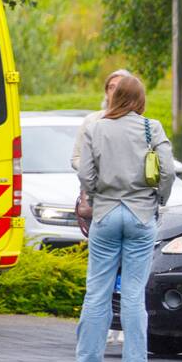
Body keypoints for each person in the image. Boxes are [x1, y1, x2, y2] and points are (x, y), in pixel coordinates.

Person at [75, 75, 176, 362]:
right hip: (141, 214)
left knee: (97, 290)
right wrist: (159, 199)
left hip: (105, 214)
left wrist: (95, 195)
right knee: (133, 291)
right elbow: (167, 171)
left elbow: (84, 172)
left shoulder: (96, 128)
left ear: (114, 98)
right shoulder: (150, 127)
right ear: (140, 99)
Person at [72, 69, 132, 345]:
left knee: (125, 270)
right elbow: (78, 160)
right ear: (105, 91)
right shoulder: (92, 122)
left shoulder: (141, 124)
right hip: (100, 205)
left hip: (130, 206)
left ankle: (121, 329)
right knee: (101, 271)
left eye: (121, 87)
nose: (115, 91)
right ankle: (97, 331)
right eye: (111, 86)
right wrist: (97, 182)